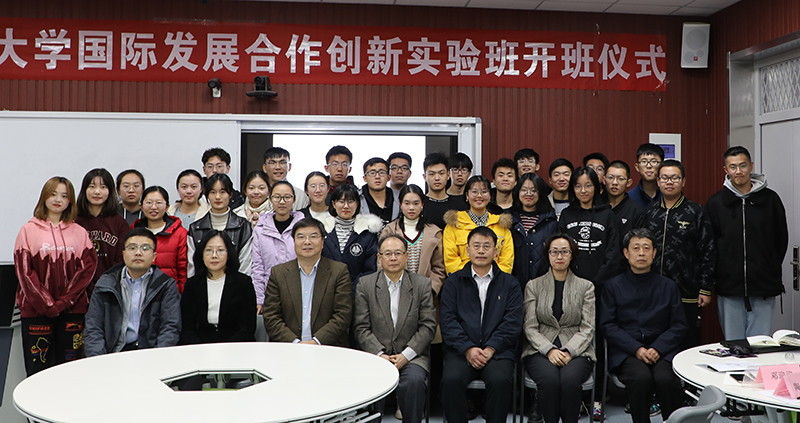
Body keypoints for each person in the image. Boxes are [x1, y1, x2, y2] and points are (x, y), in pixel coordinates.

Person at [599, 228, 687, 423]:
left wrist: (658, 348)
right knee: (640, 378)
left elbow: (679, 325)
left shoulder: (668, 286)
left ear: (654, 253)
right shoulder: (613, 286)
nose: (641, 253)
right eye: (636, 248)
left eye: (646, 248)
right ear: (626, 253)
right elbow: (607, 325)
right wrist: (636, 348)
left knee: (666, 379)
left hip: (662, 350)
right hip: (627, 351)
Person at [14, 176, 98, 376]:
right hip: (36, 312)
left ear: (70, 201)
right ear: (44, 197)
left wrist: (63, 303)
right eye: (53, 194)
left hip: (73, 312)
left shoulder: (79, 232)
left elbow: (87, 269)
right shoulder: (28, 230)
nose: (58, 199)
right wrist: (47, 305)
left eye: (64, 196)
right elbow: (24, 272)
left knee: (71, 370)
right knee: (38, 371)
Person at [440, 226, 523, 423]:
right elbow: (448, 320)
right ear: (467, 250)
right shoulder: (453, 283)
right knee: (451, 380)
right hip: (461, 351)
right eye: (476, 246)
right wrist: (468, 348)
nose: (481, 251)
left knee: (500, 381)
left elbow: (512, 322)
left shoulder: (510, 283)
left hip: (498, 352)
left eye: (487, 246)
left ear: (496, 251)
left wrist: (491, 348)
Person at [706, 146, 788, 340]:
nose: (738, 171)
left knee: (761, 344)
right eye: (733, 167)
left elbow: (781, 239)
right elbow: (710, 245)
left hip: (763, 285)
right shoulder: (716, 203)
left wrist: (769, 266)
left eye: (743, 166)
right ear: (726, 170)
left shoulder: (770, 199)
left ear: (751, 166)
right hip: (729, 286)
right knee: (734, 345)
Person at [354, 234, 437, 423]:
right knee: (370, 379)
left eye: (398, 253)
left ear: (406, 256)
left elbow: (428, 326)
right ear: (379, 258)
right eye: (388, 253)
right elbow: (361, 327)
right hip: (376, 356)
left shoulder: (421, 284)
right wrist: (380, 354)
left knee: (413, 382)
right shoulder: (366, 285)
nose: (393, 258)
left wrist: (405, 355)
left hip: (412, 356)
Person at [635, 159, 716, 349]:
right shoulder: (650, 212)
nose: (669, 182)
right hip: (653, 291)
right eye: (664, 178)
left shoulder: (695, 211)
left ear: (683, 181)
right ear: (658, 181)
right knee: (656, 341)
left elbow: (708, 249)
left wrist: (705, 288)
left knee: (687, 340)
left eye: (674, 178)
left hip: (687, 292)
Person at [522, 234, 595, 423]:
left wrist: (570, 351)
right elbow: (530, 327)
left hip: (577, 349)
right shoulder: (533, 286)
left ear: (572, 255)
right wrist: (549, 350)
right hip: (540, 349)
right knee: (550, 381)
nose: (559, 256)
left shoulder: (586, 286)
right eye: (554, 252)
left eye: (564, 252)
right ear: (547, 255)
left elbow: (588, 327)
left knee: (570, 381)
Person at [84, 228, 181, 356]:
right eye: (132, 248)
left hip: (150, 353)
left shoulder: (165, 285)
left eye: (145, 248)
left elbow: (170, 327)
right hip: (114, 353)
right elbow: (93, 327)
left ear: (154, 256)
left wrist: (158, 358)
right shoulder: (106, 284)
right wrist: (99, 360)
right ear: (124, 254)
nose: (138, 253)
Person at [263, 218, 353, 346]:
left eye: (313, 236)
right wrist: (296, 343)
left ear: (322, 242)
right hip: (288, 348)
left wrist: (316, 342)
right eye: (301, 237)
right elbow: (271, 316)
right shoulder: (279, 273)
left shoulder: (339, 271)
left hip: (328, 347)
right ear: (294, 242)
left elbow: (343, 315)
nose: (307, 242)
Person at [180, 230, 256, 344]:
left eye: (220, 250)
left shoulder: (243, 283)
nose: (214, 256)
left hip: (236, 345)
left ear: (228, 254)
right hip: (201, 345)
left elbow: (247, 327)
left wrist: (226, 348)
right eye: (209, 250)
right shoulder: (192, 285)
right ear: (201, 255)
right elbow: (187, 327)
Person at [557, 167, 619, 287]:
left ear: (596, 187)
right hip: (570, 282)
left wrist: (599, 279)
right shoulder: (567, 214)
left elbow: (613, 251)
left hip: (601, 282)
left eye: (588, 185)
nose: (583, 190)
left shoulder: (607, 214)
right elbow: (560, 248)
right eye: (578, 186)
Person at [381, 184, 446, 298]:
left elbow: (439, 268)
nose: (411, 208)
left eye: (416, 203)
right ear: (400, 204)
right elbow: (381, 264)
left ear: (422, 204)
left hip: (425, 294)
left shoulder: (434, 232)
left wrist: (430, 290)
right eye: (407, 203)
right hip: (394, 293)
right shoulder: (389, 230)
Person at [443, 175, 514, 275]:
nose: (479, 196)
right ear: (467, 195)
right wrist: (472, 277)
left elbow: (506, 262)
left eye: (484, 192)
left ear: (490, 195)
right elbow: (451, 261)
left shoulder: (501, 225)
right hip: (463, 280)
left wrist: (491, 278)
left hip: (496, 281)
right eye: (474, 192)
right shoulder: (454, 224)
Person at [252, 180, 304, 313]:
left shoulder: (303, 228)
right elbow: (258, 267)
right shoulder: (260, 229)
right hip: (270, 294)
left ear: (294, 200)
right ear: (270, 199)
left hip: (299, 295)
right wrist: (259, 300)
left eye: (287, 197)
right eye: (277, 197)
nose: (282, 202)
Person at [187, 173, 253, 279]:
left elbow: (245, 266)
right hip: (203, 284)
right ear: (207, 195)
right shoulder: (195, 229)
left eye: (222, 192)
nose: (217, 197)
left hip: (236, 285)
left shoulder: (243, 227)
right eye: (213, 192)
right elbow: (192, 267)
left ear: (230, 194)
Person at [75, 168, 130, 294]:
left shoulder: (119, 223)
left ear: (110, 191)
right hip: (79, 290)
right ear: (84, 190)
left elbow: (122, 259)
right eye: (92, 186)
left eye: (103, 187)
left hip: (111, 288)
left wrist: (107, 283)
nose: (97, 192)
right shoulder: (75, 221)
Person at [321, 184, 382, 292]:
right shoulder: (322, 231)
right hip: (326, 291)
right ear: (333, 204)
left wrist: (352, 289)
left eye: (350, 201)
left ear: (357, 204)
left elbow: (370, 269)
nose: (346, 206)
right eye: (341, 201)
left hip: (358, 293)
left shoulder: (367, 233)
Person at [131, 186, 188, 293]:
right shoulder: (133, 233)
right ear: (141, 206)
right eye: (149, 203)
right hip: (139, 292)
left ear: (167, 207)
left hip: (169, 293)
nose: (153, 207)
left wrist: (182, 296)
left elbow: (183, 270)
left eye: (159, 203)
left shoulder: (180, 233)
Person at [511, 173, 558, 287]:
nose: (529, 194)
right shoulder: (509, 220)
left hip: (544, 285)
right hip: (514, 285)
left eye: (533, 190)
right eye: (524, 190)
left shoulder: (551, 221)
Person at [422, 151, 468, 230]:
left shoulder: (461, 206)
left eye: (441, 173)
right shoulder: (420, 205)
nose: (437, 178)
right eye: (432, 174)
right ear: (425, 177)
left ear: (448, 175)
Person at [603, 160, 643, 243]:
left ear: (628, 183)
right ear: (604, 180)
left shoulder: (636, 211)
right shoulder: (596, 205)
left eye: (620, 179)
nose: (614, 182)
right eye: (610, 178)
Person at [261, 146, 310, 211]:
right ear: (264, 167)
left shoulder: (300, 196)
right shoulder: (257, 194)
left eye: (282, 163)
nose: (278, 167)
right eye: (272, 163)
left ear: (289, 166)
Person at [360, 157, 399, 225]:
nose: (377, 176)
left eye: (382, 172)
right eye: (372, 173)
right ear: (365, 178)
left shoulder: (400, 198)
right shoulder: (356, 198)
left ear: (389, 177)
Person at [628, 143, 664, 209]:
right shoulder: (629, 197)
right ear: (637, 167)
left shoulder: (668, 195)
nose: (649, 166)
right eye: (644, 161)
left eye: (654, 161)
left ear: (662, 166)